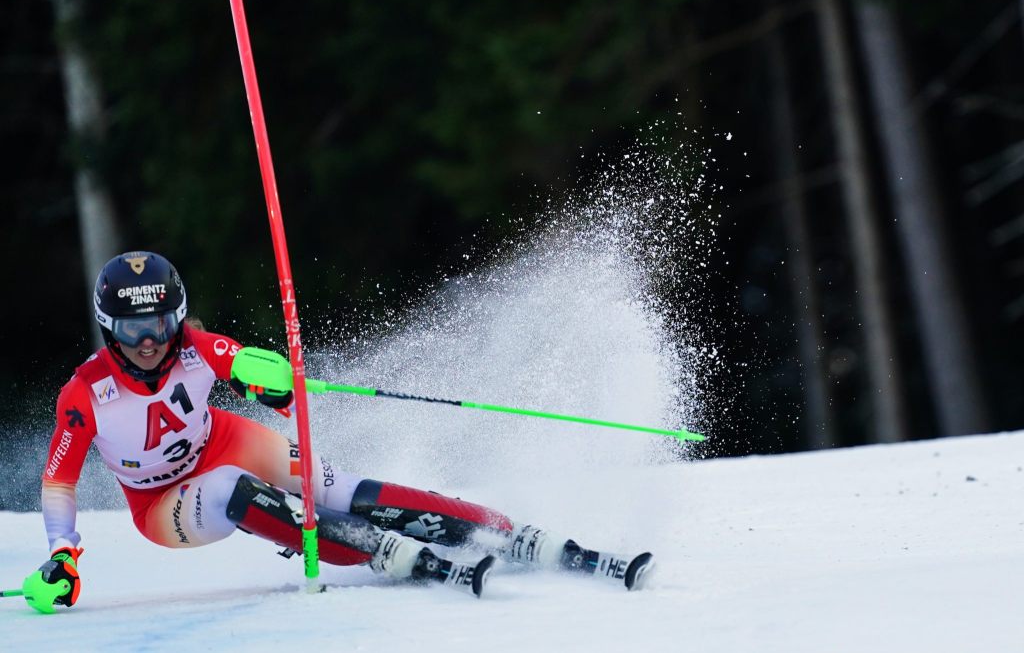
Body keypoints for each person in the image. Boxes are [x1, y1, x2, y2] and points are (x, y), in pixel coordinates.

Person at [27, 251, 652, 613]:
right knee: (228, 490)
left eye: (161, 324)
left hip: (222, 439)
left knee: (335, 486)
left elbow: (247, 365)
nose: (150, 342)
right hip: (161, 501)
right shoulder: (85, 394)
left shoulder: (192, 345)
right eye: (134, 330)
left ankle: (505, 531)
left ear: (178, 317)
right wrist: (62, 555)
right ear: (110, 328)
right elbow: (59, 481)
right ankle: (379, 551)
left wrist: (269, 380)